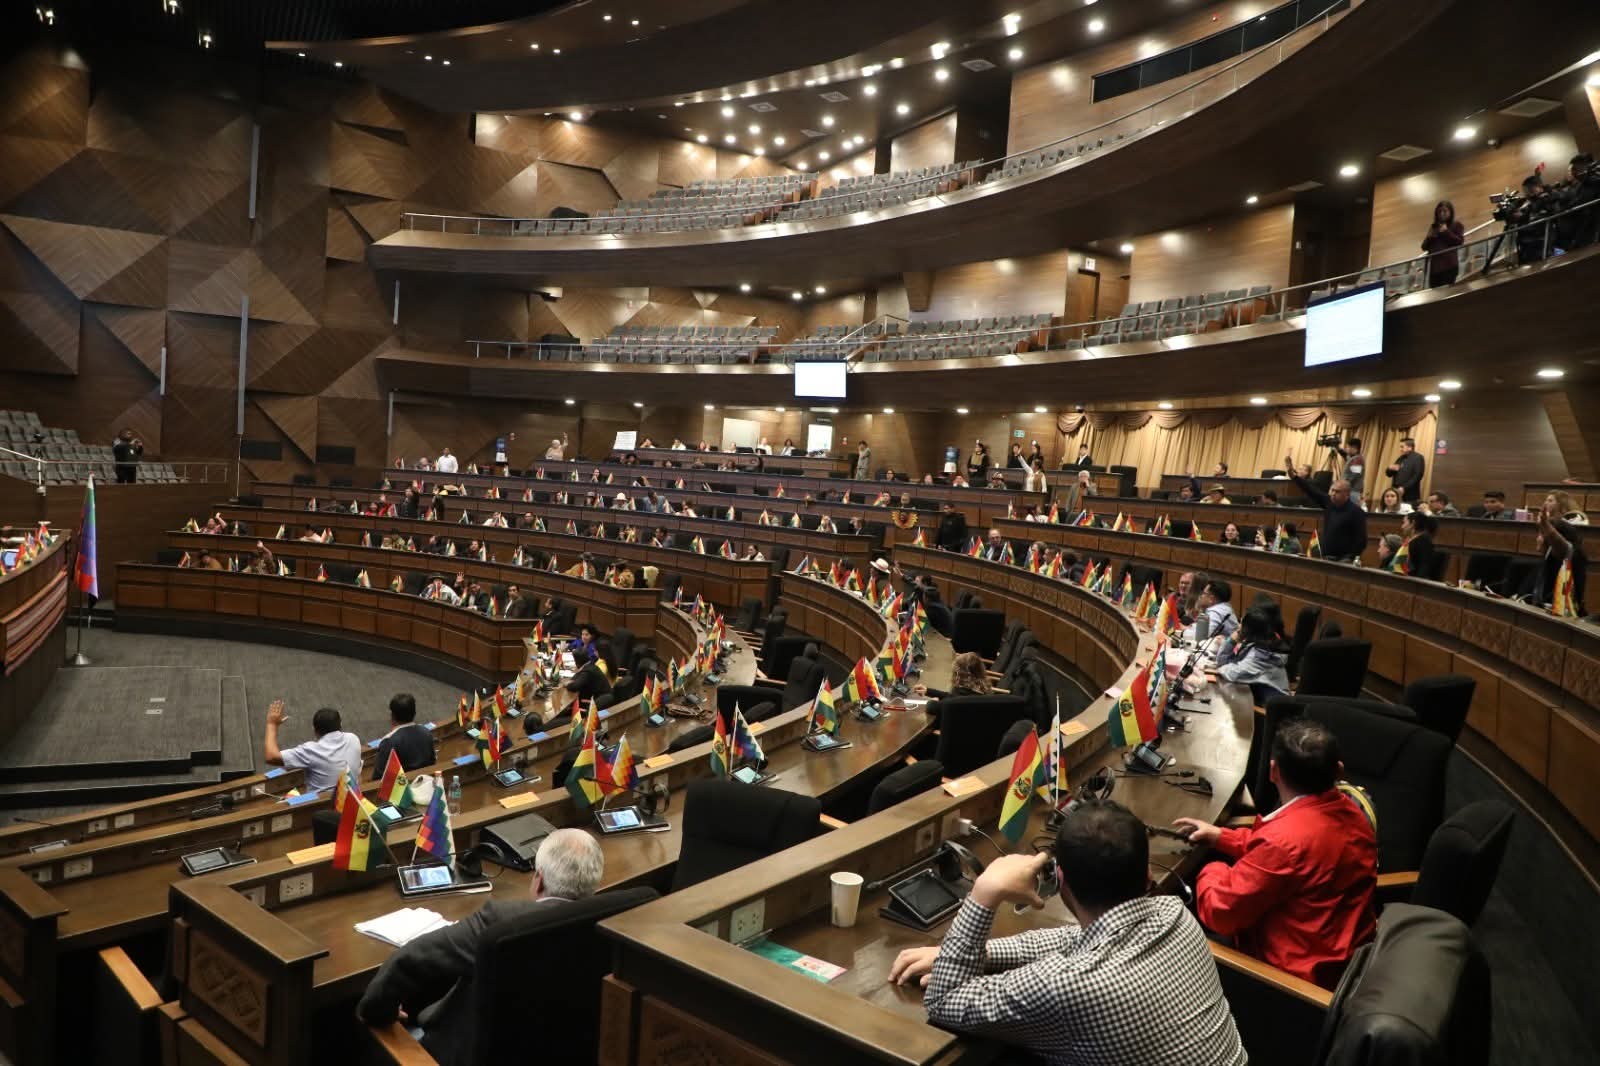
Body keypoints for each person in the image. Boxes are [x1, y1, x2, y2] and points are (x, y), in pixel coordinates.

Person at [893, 800, 1246, 1065]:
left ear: (1060, 883)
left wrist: (985, 892)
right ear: (1147, 878)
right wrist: (979, 954)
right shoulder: (1173, 914)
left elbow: (944, 1001)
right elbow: (1074, 939)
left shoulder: (1069, 984)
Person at [356, 829, 605, 1065]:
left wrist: (377, 1011)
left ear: (538, 880)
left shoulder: (503, 921)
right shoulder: (610, 919)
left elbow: (409, 959)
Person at [1176, 719, 1377, 988]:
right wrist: (1221, 837)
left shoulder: (1283, 842)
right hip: (1340, 959)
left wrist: (1209, 868)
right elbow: (1291, 854)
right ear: (1338, 771)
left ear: (1273, 771)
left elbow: (1220, 913)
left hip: (1288, 986)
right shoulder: (1355, 811)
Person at [263, 701, 362, 793]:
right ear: (340, 724)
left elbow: (271, 757)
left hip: (320, 808)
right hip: (352, 802)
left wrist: (271, 724)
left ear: (315, 730)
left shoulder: (311, 751)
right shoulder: (353, 739)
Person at [1286, 455, 1366, 562]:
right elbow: (1311, 490)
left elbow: (1361, 540)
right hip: (1326, 557)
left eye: (1337, 492)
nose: (1333, 494)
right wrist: (1295, 477)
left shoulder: (1357, 512)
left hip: (1344, 561)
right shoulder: (1329, 502)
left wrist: (1350, 557)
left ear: (1347, 495)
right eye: (1332, 490)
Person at [1214, 607, 1290, 697]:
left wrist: (1231, 641)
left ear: (1248, 629)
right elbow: (1224, 663)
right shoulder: (1255, 644)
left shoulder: (1263, 654)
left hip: (1271, 705)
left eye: (1241, 623)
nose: (1238, 626)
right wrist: (1231, 642)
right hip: (1256, 694)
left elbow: (1232, 673)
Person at [369, 694, 435, 780]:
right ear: (414, 713)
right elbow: (432, 762)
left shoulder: (388, 742)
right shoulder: (427, 733)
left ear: (392, 716)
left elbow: (378, 778)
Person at [1536, 507, 1587, 614]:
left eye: (1541, 534)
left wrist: (1546, 525)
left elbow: (1560, 544)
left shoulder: (1573, 555)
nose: (1538, 538)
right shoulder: (1548, 556)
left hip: (1567, 615)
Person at [1420, 200, 1466, 287]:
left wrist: (1446, 232)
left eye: (1445, 211)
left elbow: (1459, 242)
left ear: (1450, 212)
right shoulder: (1434, 227)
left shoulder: (1456, 225)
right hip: (1434, 269)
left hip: (1449, 266)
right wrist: (1429, 237)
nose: (1442, 214)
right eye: (1439, 211)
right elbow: (1424, 247)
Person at [1385, 437, 1425, 505]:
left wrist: (1404, 487)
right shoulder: (1400, 458)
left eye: (1402, 447)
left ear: (1409, 447)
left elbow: (1418, 475)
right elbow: (1389, 474)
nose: (1400, 449)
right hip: (1396, 493)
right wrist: (1389, 469)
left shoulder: (1418, 457)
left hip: (1410, 495)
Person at [1397, 512, 1437, 578]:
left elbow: (1424, 566)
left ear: (1413, 523)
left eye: (1404, 522)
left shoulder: (1423, 540)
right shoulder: (1411, 539)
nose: (1402, 526)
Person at [1333, 437, 1364, 501]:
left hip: (1352, 492)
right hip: (1350, 491)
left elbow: (1354, 475)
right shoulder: (1354, 458)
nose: (1346, 449)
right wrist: (1338, 448)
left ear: (1354, 448)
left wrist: (1341, 485)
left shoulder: (1358, 459)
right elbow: (1345, 455)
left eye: (1348, 447)